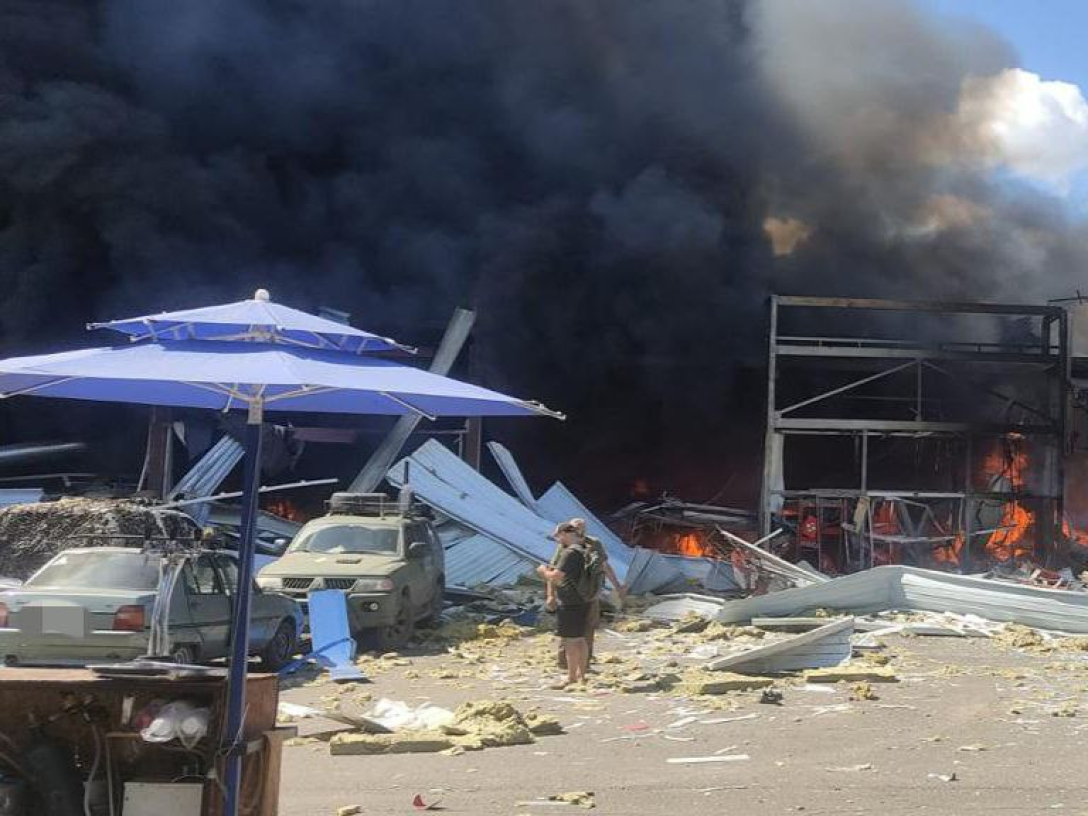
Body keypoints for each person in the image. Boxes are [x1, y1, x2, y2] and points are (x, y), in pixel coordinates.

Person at [544, 518, 625, 669]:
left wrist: (618, 587)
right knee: (569, 631)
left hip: (590, 593)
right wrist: (551, 595)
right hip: (570, 594)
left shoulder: (594, 544)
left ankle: (583, 665)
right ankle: (565, 663)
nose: (578, 531)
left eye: (580, 528)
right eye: (574, 528)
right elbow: (554, 571)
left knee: (588, 628)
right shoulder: (564, 547)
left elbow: (605, 566)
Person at [537, 521, 590, 688]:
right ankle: (582, 676)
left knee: (570, 641)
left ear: (565, 533)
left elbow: (556, 577)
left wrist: (543, 571)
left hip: (570, 601)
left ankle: (571, 677)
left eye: (558, 536)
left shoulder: (569, 553)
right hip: (583, 599)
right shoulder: (583, 550)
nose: (558, 540)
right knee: (580, 639)